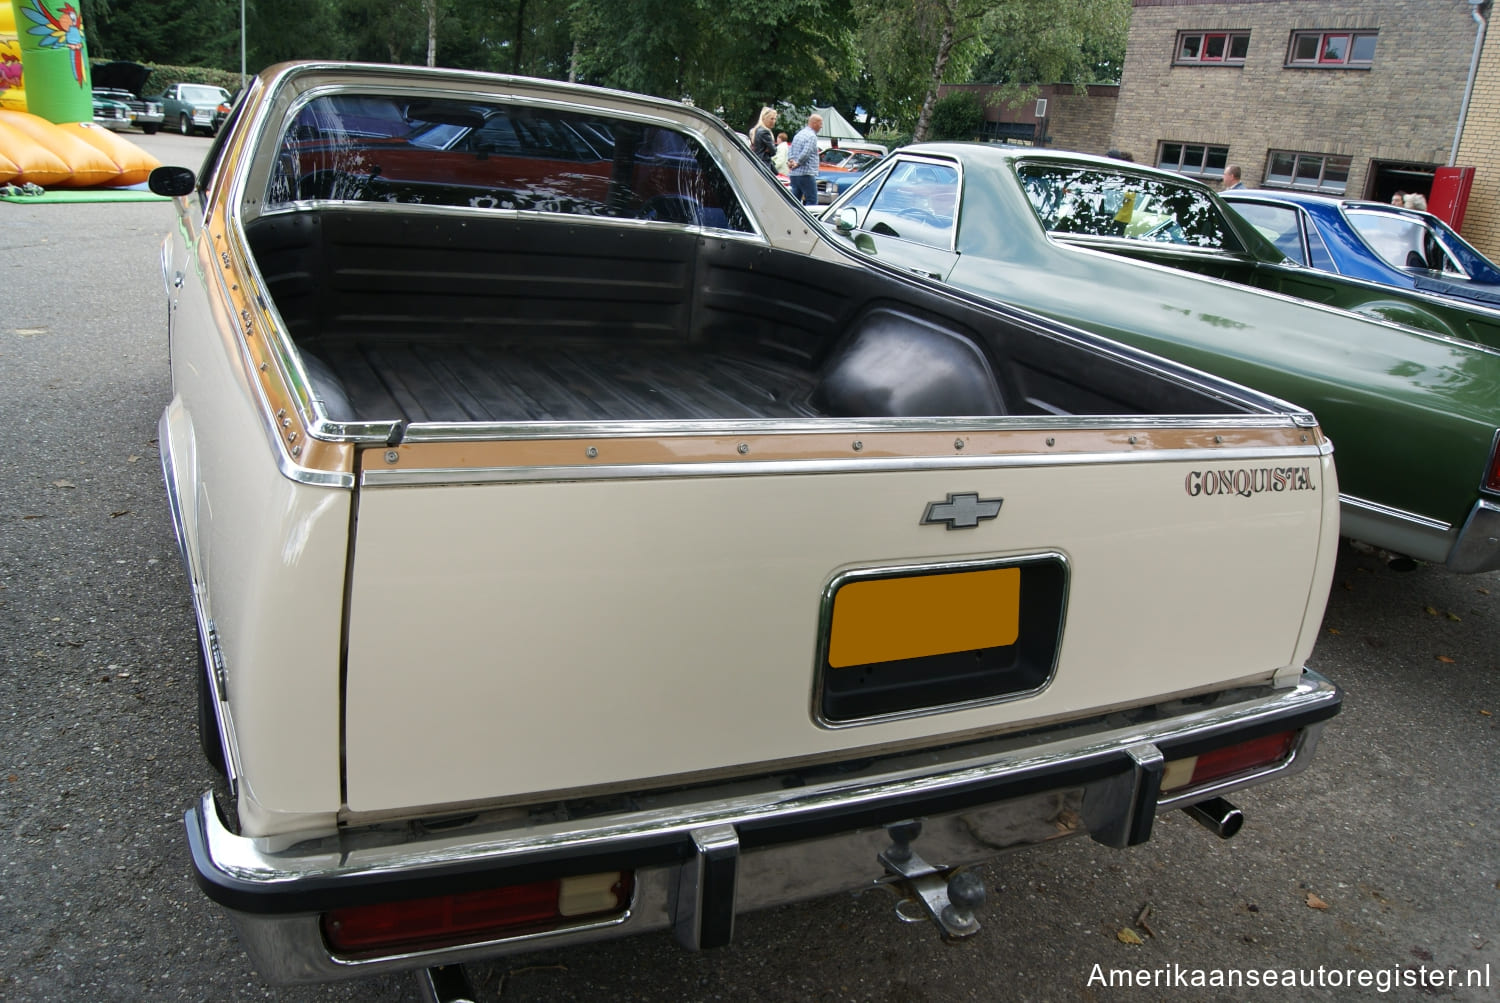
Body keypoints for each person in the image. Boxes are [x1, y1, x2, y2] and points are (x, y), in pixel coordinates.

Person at [786, 112, 823, 206]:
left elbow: (791, 149)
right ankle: (808, 220)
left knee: (794, 202)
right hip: (806, 173)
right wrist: (798, 163)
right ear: (814, 123)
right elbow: (807, 152)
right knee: (812, 200)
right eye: (820, 123)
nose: (821, 126)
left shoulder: (799, 134)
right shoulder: (812, 136)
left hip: (794, 174)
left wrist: (791, 161)